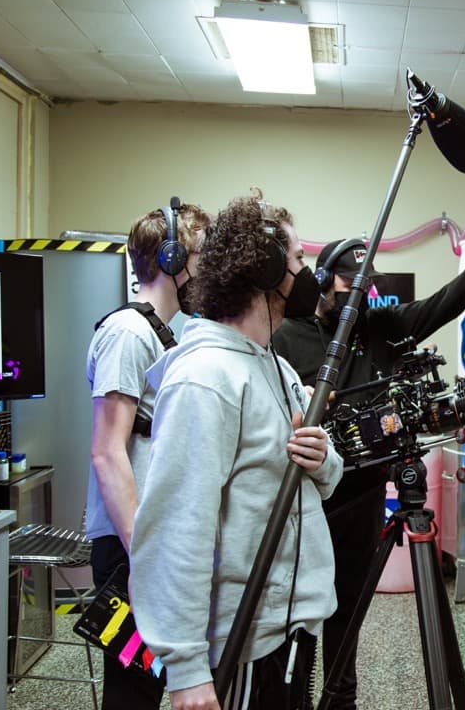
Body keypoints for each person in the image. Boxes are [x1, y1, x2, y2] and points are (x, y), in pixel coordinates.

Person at [270, 211, 465, 710]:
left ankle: (342, 700)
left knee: (349, 609)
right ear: (322, 281)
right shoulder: (287, 336)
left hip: (361, 496)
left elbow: (443, 304)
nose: (357, 295)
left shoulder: (379, 327)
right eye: (347, 283)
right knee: (303, 611)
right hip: (307, 501)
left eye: (365, 286)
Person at [129, 194, 343, 710]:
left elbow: (324, 480)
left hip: (289, 624)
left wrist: (323, 459)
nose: (304, 274)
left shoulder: (275, 366)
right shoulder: (205, 378)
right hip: (243, 638)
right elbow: (177, 528)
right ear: (266, 268)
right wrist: (185, 671)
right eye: (295, 260)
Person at [85, 202, 209, 709]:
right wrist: (146, 556)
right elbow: (108, 453)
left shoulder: (166, 333)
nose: (206, 269)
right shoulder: (127, 334)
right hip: (128, 543)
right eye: (200, 256)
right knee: (133, 692)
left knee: (151, 682)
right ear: (172, 257)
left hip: (147, 539)